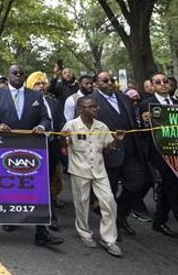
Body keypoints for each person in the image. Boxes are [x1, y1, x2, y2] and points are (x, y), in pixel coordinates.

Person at [0, 65, 61, 246]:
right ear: (8, 75)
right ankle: (10, 219)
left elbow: (46, 118)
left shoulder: (35, 96)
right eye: (14, 73)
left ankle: (41, 232)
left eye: (21, 74)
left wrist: (42, 127)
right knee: (9, 185)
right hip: (5, 147)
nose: (18, 76)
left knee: (35, 188)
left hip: (31, 148)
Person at [61, 97, 125, 257]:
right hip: (79, 170)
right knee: (81, 203)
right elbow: (63, 147)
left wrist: (117, 141)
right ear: (80, 109)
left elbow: (108, 148)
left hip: (99, 170)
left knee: (109, 201)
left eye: (95, 107)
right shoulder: (72, 125)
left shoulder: (101, 126)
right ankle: (84, 233)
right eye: (90, 107)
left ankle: (109, 239)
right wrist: (63, 138)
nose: (95, 109)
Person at [91, 70, 150, 236]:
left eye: (112, 79)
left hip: (130, 150)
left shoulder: (124, 98)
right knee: (107, 193)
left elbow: (133, 123)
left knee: (138, 183)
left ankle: (120, 214)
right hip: (107, 154)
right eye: (105, 80)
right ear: (97, 83)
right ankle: (110, 228)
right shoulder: (91, 101)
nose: (110, 83)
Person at [139, 72, 178, 239]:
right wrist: (146, 122)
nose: (162, 84)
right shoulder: (147, 105)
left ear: (170, 84)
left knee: (173, 188)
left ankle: (159, 221)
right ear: (152, 86)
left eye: (165, 81)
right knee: (172, 188)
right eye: (158, 82)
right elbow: (143, 132)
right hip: (159, 153)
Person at [27, 71, 66, 231]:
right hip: (31, 149)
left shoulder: (53, 102)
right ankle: (14, 218)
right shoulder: (26, 102)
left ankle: (50, 217)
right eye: (37, 83)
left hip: (51, 147)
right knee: (27, 184)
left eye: (43, 83)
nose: (41, 86)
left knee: (47, 183)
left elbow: (61, 122)